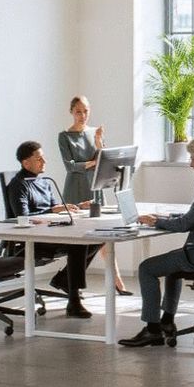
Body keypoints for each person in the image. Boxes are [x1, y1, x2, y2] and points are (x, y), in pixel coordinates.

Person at [118, 137, 194, 348]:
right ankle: (167, 322)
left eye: (192, 159)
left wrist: (156, 221)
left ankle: (152, 330)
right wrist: (171, 216)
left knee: (147, 268)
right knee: (172, 267)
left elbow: (185, 225)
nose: (190, 164)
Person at [6, 141, 102, 319]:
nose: (44, 161)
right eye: (39, 158)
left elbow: (53, 208)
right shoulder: (18, 185)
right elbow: (23, 216)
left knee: (96, 238)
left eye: (43, 157)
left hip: (49, 233)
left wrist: (77, 207)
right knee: (78, 245)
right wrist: (51, 210)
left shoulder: (44, 182)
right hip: (32, 240)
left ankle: (65, 280)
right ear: (26, 163)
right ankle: (73, 300)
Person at [58, 95, 130, 296]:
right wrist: (91, 162)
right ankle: (71, 283)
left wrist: (98, 144)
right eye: (78, 111)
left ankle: (116, 280)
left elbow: (105, 159)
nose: (83, 115)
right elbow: (69, 167)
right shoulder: (64, 136)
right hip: (76, 188)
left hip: (95, 188)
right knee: (77, 241)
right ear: (71, 112)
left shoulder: (95, 132)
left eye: (86, 111)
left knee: (104, 236)